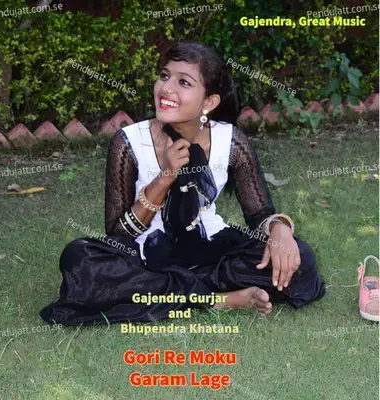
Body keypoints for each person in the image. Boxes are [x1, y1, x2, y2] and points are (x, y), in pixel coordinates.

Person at [40, 42, 325, 326]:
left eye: (184, 82)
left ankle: (176, 293)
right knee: (80, 259)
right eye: (164, 76)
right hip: (145, 260)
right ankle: (220, 300)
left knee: (300, 257)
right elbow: (118, 234)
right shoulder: (129, 142)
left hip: (212, 255)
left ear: (208, 102)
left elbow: (259, 214)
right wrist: (165, 177)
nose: (166, 89)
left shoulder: (230, 141)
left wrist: (280, 229)